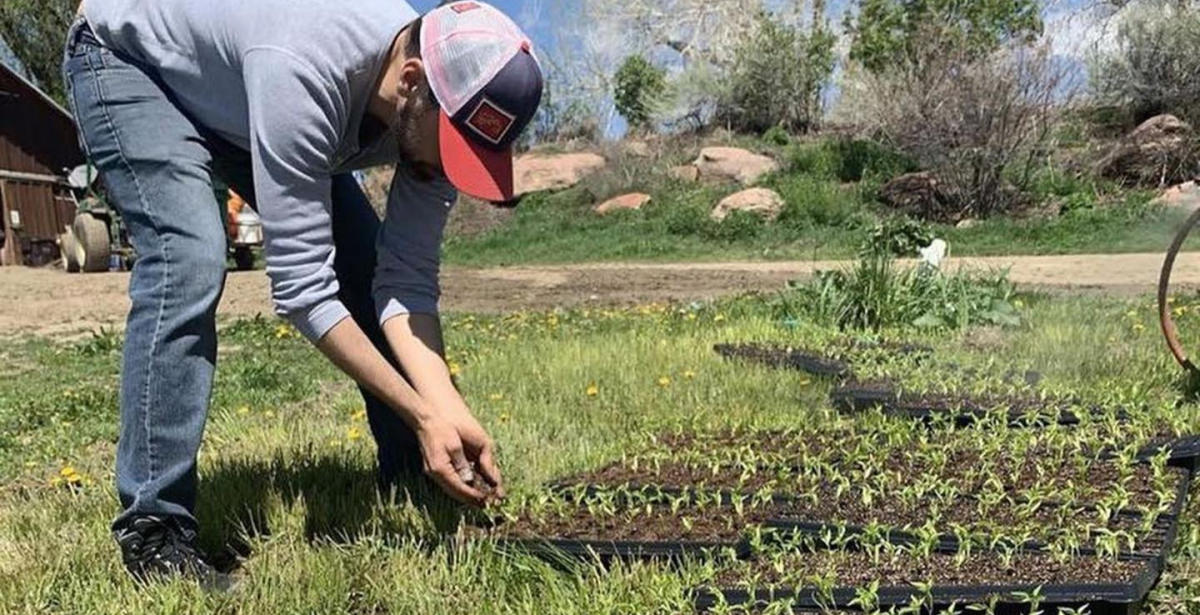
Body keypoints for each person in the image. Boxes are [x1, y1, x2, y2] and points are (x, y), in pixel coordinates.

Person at [62, 0, 543, 586]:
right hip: (130, 62)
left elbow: (405, 283)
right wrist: (420, 412)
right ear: (411, 81)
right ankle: (155, 530)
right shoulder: (305, 64)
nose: (451, 165)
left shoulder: (436, 109)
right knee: (188, 254)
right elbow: (303, 289)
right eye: (454, 144)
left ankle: (421, 475)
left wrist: (448, 409)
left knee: (362, 264)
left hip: (237, 90)